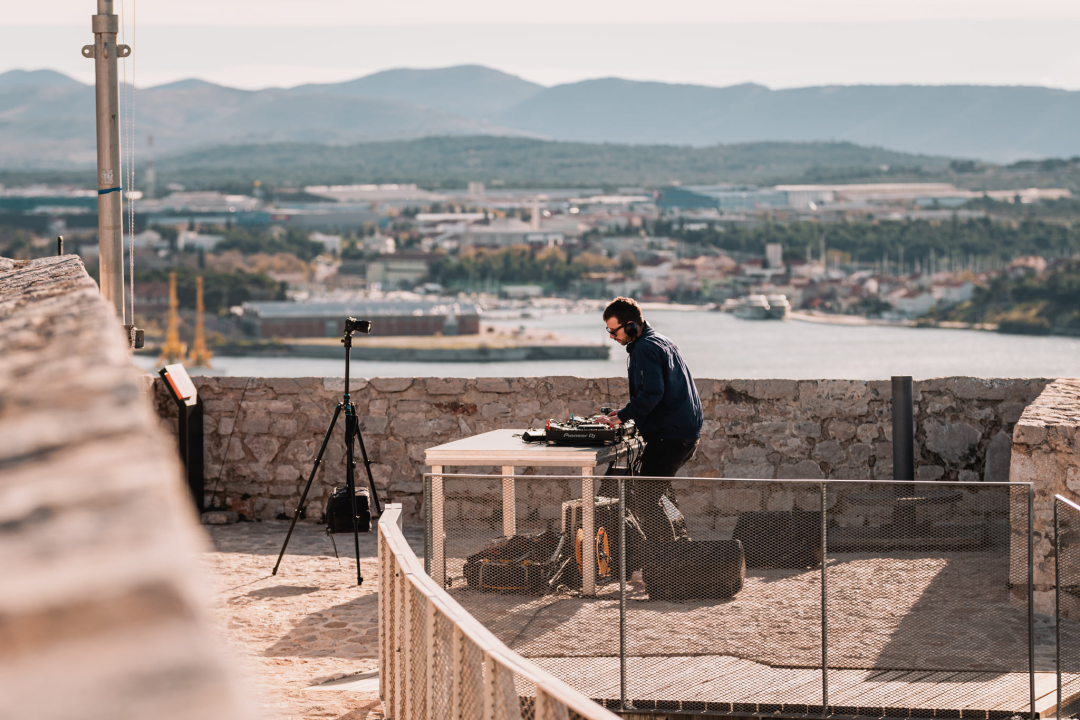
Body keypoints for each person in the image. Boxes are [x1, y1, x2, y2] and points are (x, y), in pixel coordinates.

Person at [597, 296, 703, 544]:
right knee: (650, 495)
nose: (612, 337)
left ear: (632, 326)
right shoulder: (662, 341)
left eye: (614, 331)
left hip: (671, 438)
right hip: (683, 434)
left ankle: (667, 562)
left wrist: (621, 417)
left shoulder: (644, 348)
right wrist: (622, 414)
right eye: (608, 331)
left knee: (644, 499)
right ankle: (667, 557)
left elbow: (653, 393)